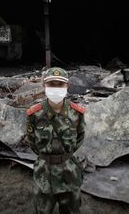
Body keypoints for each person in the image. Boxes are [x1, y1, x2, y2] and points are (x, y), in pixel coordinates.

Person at [25, 67, 86, 214]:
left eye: (60, 84)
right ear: (44, 86)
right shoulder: (35, 113)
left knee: (71, 209)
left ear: (67, 87)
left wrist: (63, 156)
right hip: (44, 172)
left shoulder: (76, 113)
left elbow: (80, 137)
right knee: (43, 210)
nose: (56, 88)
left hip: (69, 171)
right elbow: (32, 141)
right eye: (51, 84)